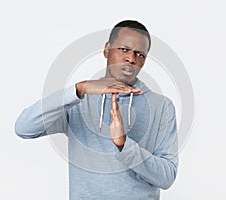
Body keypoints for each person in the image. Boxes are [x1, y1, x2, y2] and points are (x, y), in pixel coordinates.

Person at [15, 20, 178, 200]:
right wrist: (79, 89)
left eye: (140, 54)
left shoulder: (161, 106)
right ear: (107, 49)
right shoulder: (77, 101)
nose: (131, 58)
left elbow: (167, 176)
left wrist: (124, 144)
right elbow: (24, 128)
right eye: (124, 49)